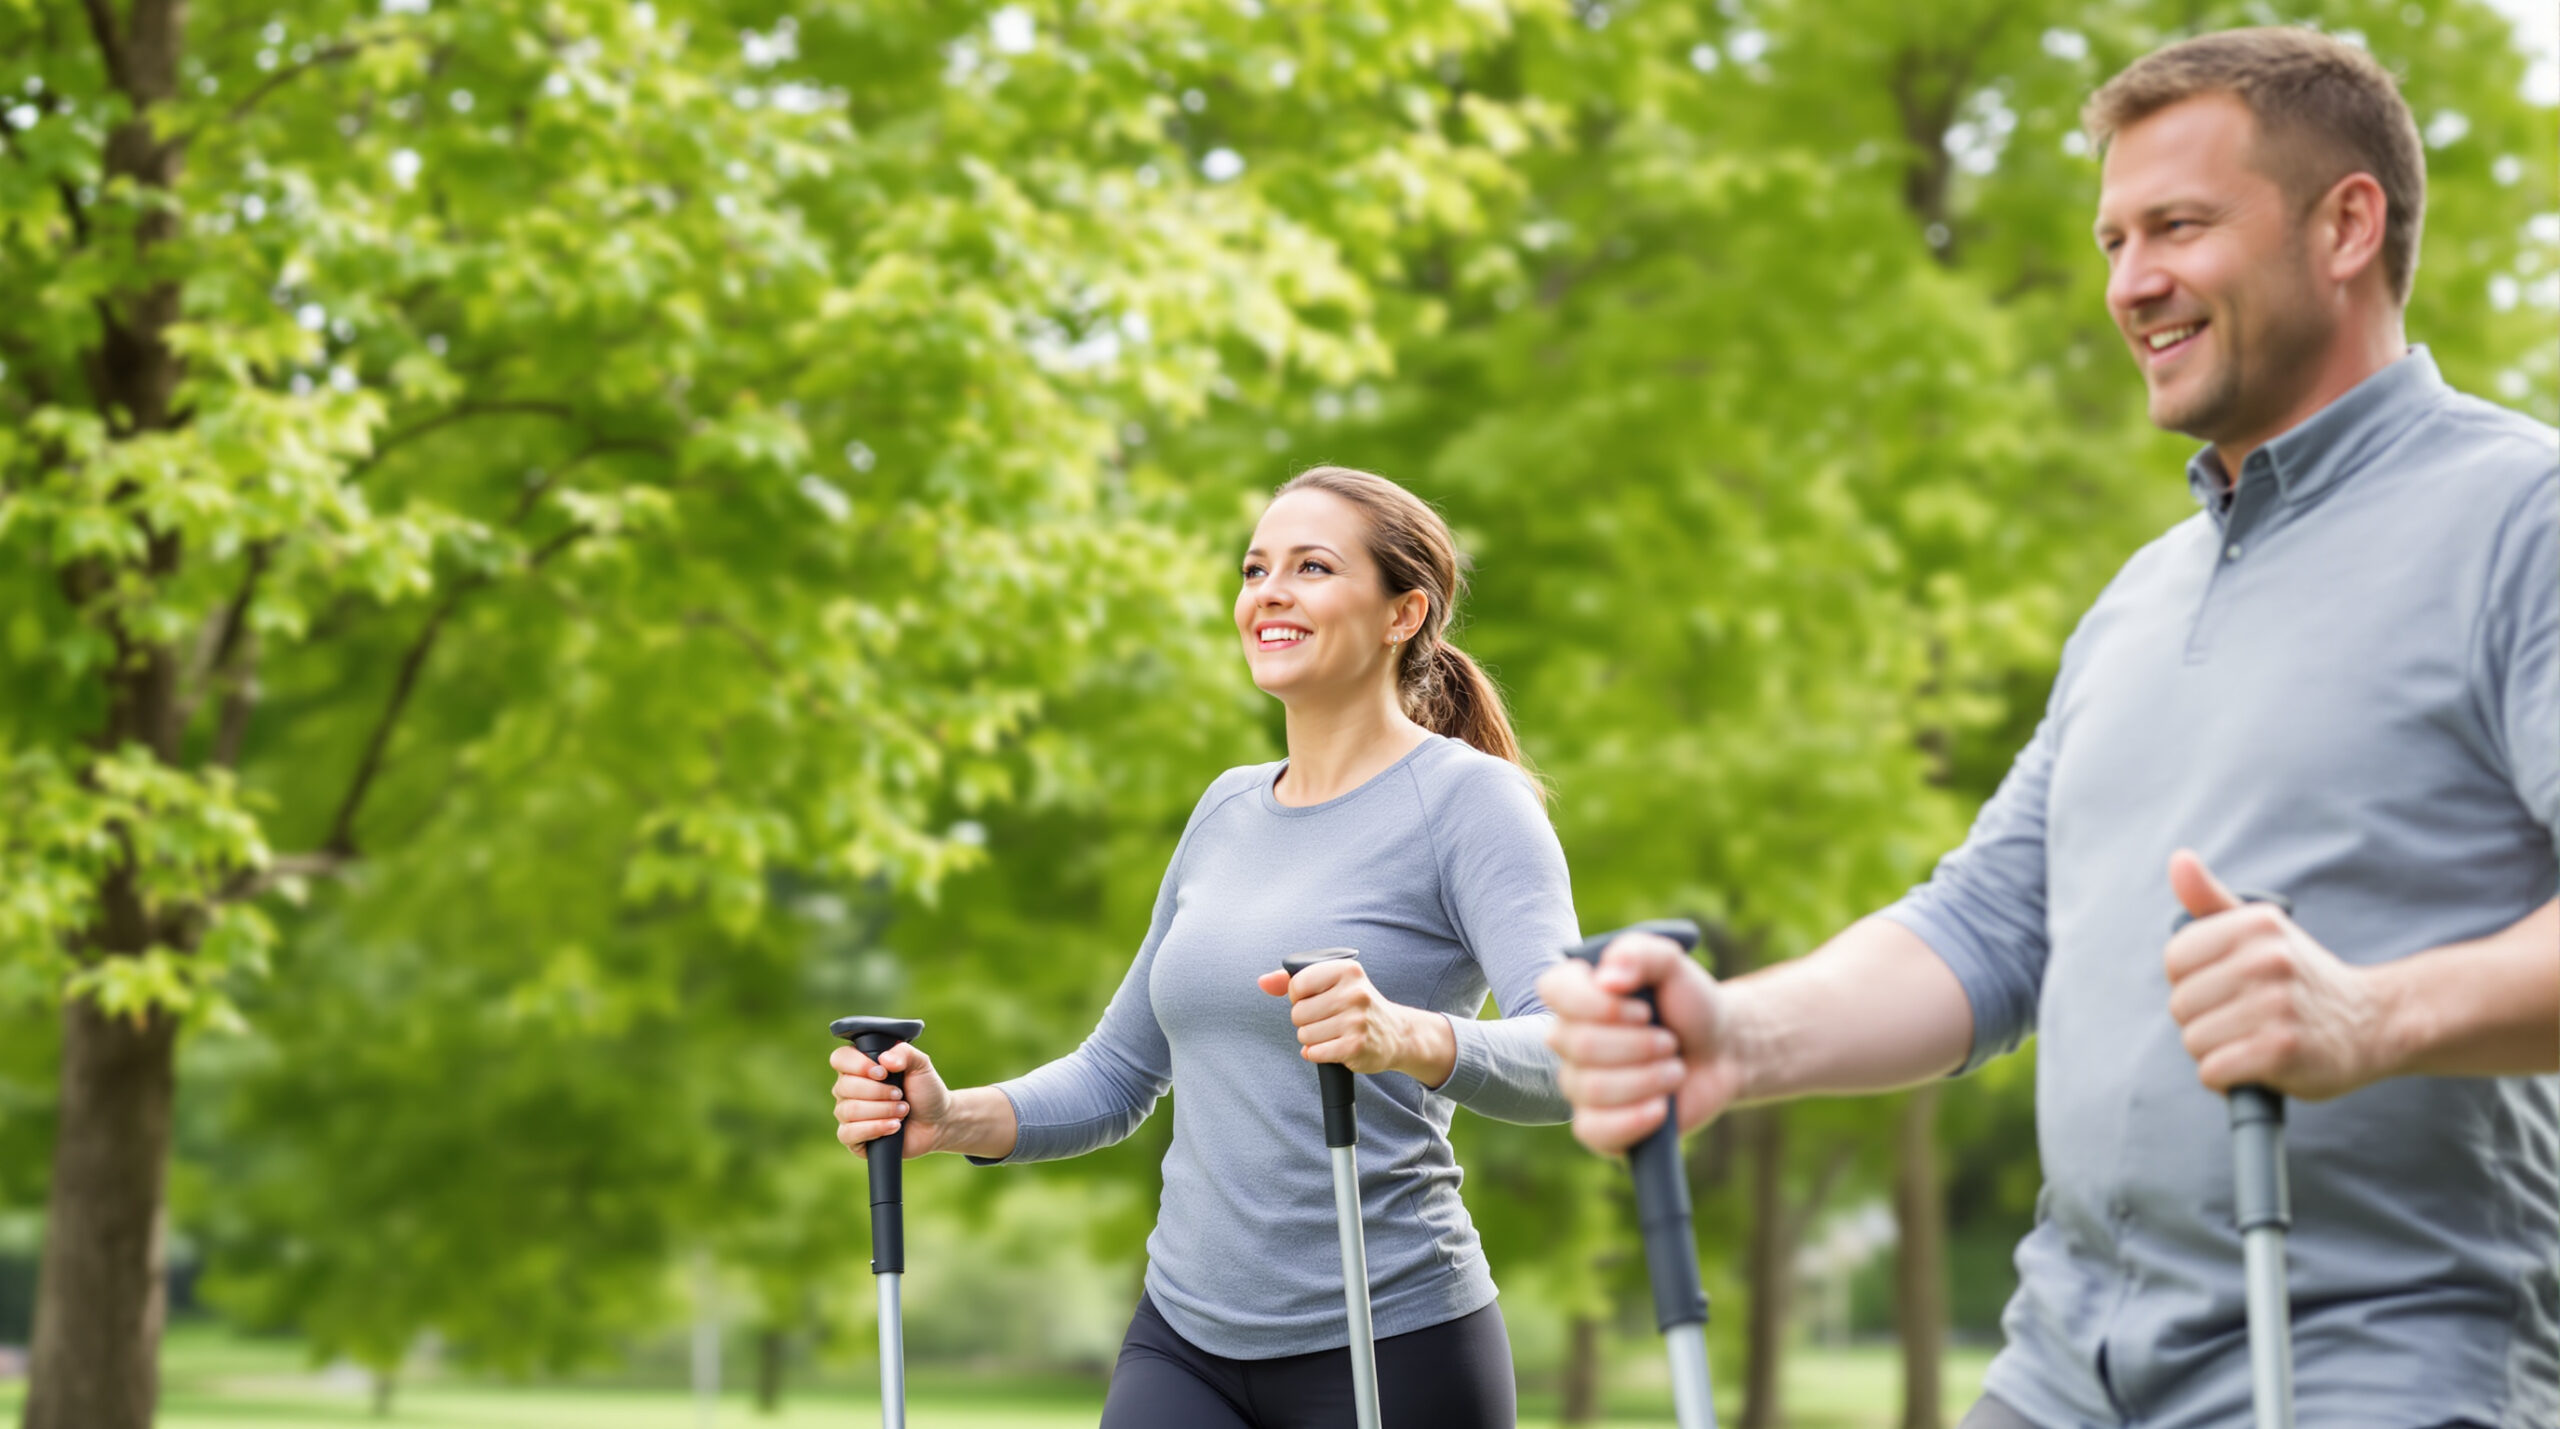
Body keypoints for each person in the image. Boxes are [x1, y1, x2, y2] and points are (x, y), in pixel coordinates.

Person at [1538, 28, 2557, 1429]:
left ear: (2346, 225)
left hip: (2367, 1361)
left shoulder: (2522, 518)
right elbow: (1991, 926)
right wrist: (1738, 1038)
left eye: (2178, 227)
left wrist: (2372, 1015)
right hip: (2064, 1363)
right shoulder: (2143, 595)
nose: (2130, 283)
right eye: (2112, 240)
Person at [830, 465, 1579, 1428]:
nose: (1270, 592)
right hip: (1184, 1339)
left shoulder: (1471, 801)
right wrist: (948, 1116)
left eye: (1312, 567)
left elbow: (1570, 1051)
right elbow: (1117, 1074)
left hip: (1389, 1336)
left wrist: (1406, 1035)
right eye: (1256, 568)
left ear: (1405, 613)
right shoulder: (1226, 806)